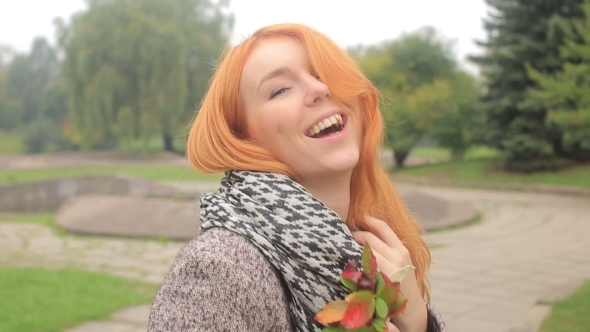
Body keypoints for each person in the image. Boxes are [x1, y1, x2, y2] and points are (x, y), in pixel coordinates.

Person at [147, 23, 446, 332]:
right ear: (244, 138)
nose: (320, 89)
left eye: (322, 73)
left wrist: (417, 323)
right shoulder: (221, 268)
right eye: (280, 90)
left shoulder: (373, 240)